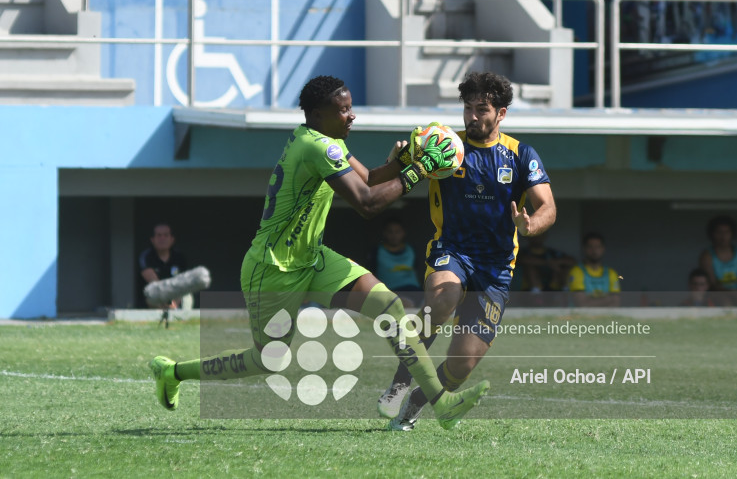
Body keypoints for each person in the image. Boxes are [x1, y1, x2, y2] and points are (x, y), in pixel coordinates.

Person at [147, 75, 489, 430]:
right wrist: (417, 171)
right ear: (316, 114)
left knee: (390, 305)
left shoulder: (326, 140)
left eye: (350, 108)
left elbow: (370, 178)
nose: (351, 116)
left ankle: (441, 402)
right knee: (268, 359)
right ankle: (173, 372)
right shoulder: (317, 147)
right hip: (273, 269)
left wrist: (403, 162)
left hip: (313, 259)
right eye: (342, 110)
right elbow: (367, 203)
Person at [377, 71, 557, 430]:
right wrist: (396, 160)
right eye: (467, 108)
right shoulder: (443, 145)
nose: (472, 117)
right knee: (444, 296)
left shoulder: (520, 154)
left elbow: (548, 207)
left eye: (482, 109)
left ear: (501, 114)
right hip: (452, 250)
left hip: (496, 268)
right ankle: (400, 381)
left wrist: (530, 225)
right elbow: (380, 182)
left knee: (462, 364)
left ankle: (413, 406)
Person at [370, 217, 424, 308]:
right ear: (384, 233)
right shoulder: (376, 252)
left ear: (403, 233)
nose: (394, 235)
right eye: (390, 232)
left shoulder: (412, 250)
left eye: (397, 232)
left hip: (416, 292)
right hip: (390, 294)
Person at [138, 222, 192, 309]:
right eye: (159, 235)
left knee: (187, 296)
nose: (162, 238)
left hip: (176, 298)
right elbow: (154, 283)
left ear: (172, 239)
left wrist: (175, 303)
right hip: (155, 298)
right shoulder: (146, 256)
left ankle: (184, 320)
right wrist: (167, 303)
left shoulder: (179, 257)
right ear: (152, 239)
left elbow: (183, 283)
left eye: (166, 235)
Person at [516, 232, 575, 305]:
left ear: (544, 236)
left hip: (552, 287)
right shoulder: (523, 252)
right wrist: (547, 263)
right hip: (528, 291)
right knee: (530, 268)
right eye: (534, 234)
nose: (537, 237)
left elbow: (571, 261)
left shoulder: (552, 253)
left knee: (564, 268)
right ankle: (536, 295)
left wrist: (557, 263)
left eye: (539, 234)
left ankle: (565, 293)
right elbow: (523, 260)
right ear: (528, 236)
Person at [698, 215, 737, 295]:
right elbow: (712, 284)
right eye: (719, 232)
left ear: (732, 233)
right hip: (717, 295)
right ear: (712, 234)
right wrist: (730, 294)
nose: (723, 237)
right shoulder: (707, 256)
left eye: (727, 232)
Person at [567, 232, 621, 307]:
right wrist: (608, 299)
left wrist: (590, 301)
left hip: (606, 318)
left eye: (597, 247)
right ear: (584, 249)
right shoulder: (577, 272)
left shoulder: (611, 273)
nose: (594, 250)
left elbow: (616, 304)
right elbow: (581, 304)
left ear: (603, 249)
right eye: (590, 247)